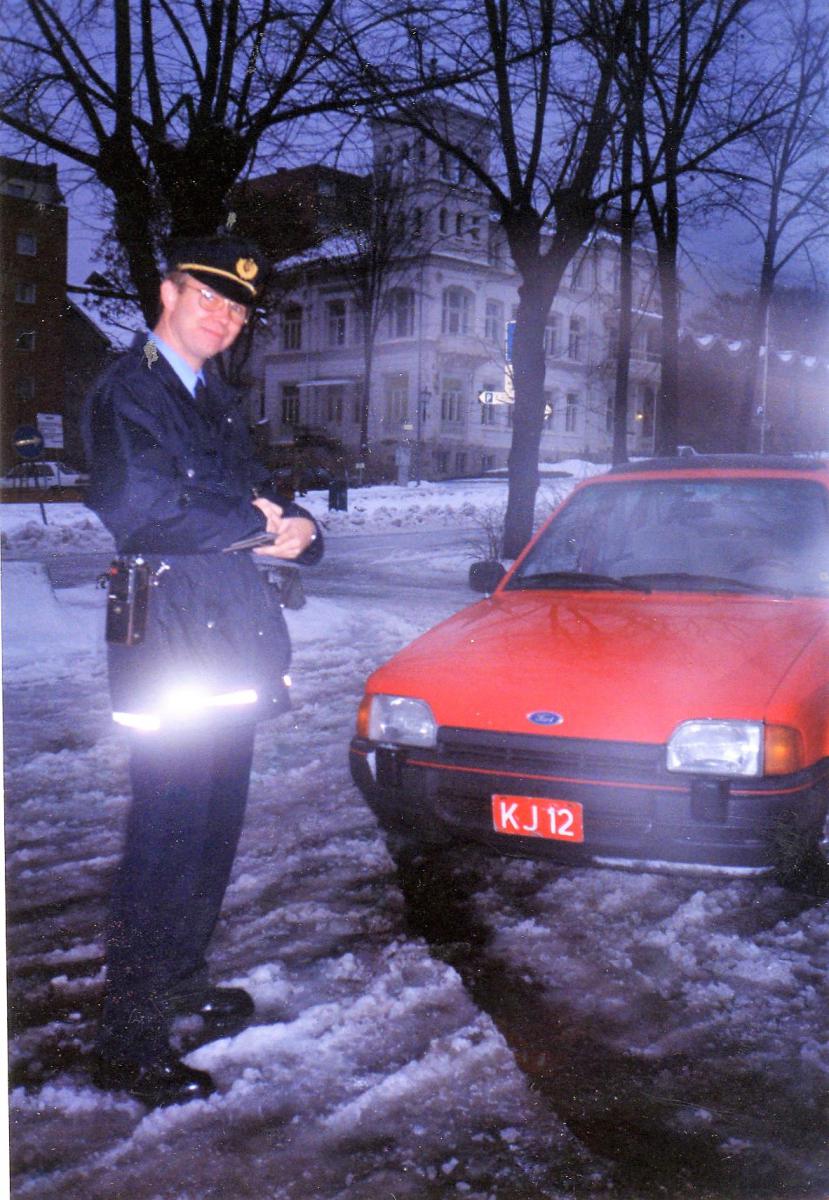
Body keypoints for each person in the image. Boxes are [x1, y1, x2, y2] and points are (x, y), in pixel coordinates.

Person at [82, 235, 322, 1108]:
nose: (223, 317)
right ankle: (129, 1039)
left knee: (214, 827)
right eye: (207, 298)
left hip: (230, 637)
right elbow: (138, 505)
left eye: (237, 309)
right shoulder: (129, 390)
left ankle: (181, 980)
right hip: (170, 638)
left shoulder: (213, 399)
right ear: (168, 293)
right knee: (166, 838)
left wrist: (302, 528)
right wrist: (259, 525)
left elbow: (259, 494)